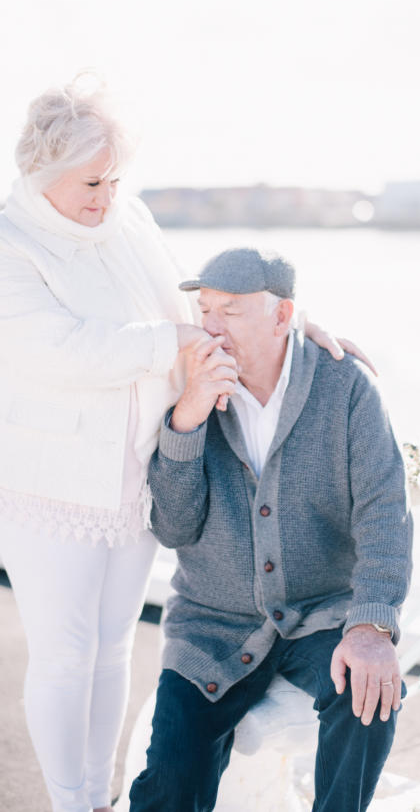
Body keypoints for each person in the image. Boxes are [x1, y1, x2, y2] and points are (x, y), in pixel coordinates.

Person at [0, 76, 365, 812]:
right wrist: (173, 341)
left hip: (132, 473)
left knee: (110, 649)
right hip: (53, 481)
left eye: (114, 178)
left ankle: (99, 796)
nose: (105, 196)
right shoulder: (11, 240)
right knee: (64, 656)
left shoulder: (127, 219)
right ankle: (69, 802)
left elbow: (187, 295)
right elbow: (62, 348)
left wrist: (287, 327)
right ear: (42, 173)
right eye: (90, 182)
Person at [129, 247, 414, 812]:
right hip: (212, 627)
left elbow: (385, 513)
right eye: (204, 309)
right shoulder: (192, 385)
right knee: (170, 787)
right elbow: (175, 529)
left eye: (229, 312)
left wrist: (371, 627)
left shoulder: (346, 388)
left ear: (282, 317)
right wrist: (187, 417)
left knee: (370, 694)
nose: (209, 327)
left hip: (321, 613)